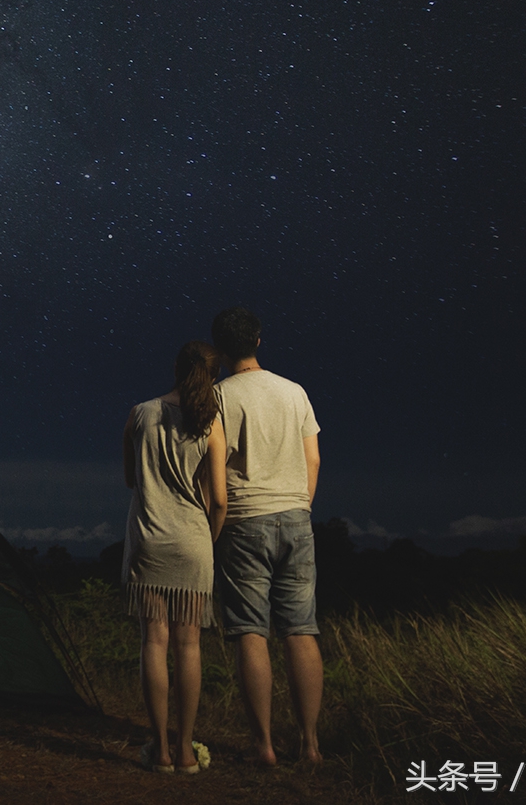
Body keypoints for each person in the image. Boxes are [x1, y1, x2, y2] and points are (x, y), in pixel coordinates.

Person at [209, 306, 323, 765]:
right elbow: (313, 460)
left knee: (251, 633)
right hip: (296, 516)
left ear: (219, 350)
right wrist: (300, 505)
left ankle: (264, 745)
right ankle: (310, 743)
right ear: (258, 340)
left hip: (243, 521)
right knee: (301, 629)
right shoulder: (294, 392)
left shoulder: (217, 397)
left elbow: (213, 467)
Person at [121, 340, 227, 773]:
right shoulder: (210, 423)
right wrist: (208, 540)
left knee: (154, 641)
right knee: (189, 646)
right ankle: (186, 751)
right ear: (212, 375)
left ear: (176, 368)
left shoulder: (140, 414)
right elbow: (218, 500)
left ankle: (160, 750)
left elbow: (131, 479)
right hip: (192, 542)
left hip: (148, 541)